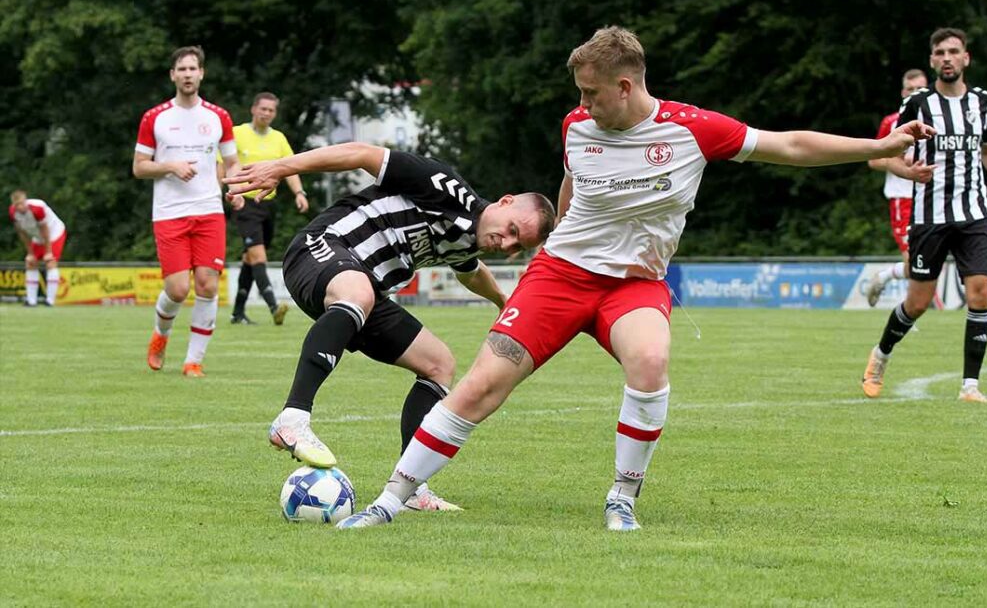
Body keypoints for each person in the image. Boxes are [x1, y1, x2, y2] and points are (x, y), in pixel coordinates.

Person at [336, 26, 937, 532]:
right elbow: (572, 182)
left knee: (650, 362)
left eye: (592, 93)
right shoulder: (578, 126)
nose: (584, 103)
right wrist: (560, 229)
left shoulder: (694, 130)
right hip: (561, 276)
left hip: (633, 284)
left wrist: (879, 146)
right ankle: (389, 501)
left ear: (625, 87)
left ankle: (622, 498)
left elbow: (791, 145)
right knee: (479, 387)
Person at [225, 142, 555, 510]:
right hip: (320, 249)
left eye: (516, 246)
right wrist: (282, 167)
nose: (505, 243)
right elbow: (363, 153)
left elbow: (472, 273)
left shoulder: (469, 242)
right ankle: (292, 419)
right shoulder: (445, 187)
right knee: (358, 292)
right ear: (505, 201)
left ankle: (410, 486)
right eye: (510, 229)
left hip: (365, 291)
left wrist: (504, 304)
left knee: (439, 363)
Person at [862, 28, 987, 403]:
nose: (947, 57)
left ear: (966, 58)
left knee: (980, 293)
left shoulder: (984, 103)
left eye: (954, 51)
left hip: (974, 213)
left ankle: (970, 386)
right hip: (930, 214)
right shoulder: (917, 103)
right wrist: (908, 172)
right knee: (918, 302)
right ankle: (881, 355)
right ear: (932, 60)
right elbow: (887, 154)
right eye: (940, 52)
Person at [132, 46, 244, 378]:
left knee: (208, 285)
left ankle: (193, 361)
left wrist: (235, 188)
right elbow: (139, 167)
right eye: (181, 69)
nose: (187, 74)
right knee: (179, 289)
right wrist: (170, 167)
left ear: (201, 74)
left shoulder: (218, 117)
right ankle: (160, 336)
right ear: (172, 75)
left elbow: (231, 162)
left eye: (193, 68)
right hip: (169, 212)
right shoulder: (155, 117)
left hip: (209, 210)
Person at [227, 92, 309, 326]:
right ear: (253, 109)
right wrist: (232, 191)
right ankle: (274, 307)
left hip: (268, 204)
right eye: (263, 108)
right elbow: (224, 164)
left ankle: (237, 313)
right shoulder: (237, 133)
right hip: (244, 202)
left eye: (271, 110)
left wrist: (299, 193)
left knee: (249, 258)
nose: (266, 113)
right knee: (258, 255)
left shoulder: (279, 138)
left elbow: (290, 168)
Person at [865, 69, 934, 307]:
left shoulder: (942, 118)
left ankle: (884, 277)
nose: (915, 94)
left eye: (920, 89)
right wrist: (900, 164)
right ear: (903, 92)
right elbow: (873, 160)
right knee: (914, 259)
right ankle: (906, 314)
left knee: (930, 259)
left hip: (932, 198)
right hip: (902, 198)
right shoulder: (891, 122)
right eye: (910, 89)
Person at [7, 190, 66, 307]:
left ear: (25, 201)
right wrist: (30, 253)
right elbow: (22, 233)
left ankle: (50, 301)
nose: (20, 207)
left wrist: (48, 252)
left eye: (22, 203)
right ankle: (31, 301)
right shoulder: (13, 213)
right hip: (37, 237)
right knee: (30, 263)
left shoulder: (37, 208)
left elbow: (45, 230)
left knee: (50, 262)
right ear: (14, 205)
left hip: (54, 234)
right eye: (17, 204)